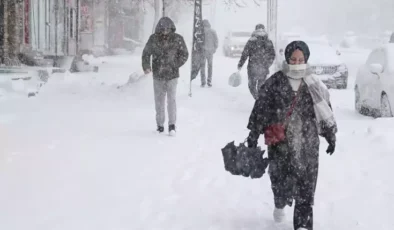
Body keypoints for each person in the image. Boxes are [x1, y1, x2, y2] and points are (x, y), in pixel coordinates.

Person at [245, 41, 337, 230]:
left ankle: (302, 225)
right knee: (280, 182)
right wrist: (253, 134)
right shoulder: (275, 81)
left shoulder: (314, 83)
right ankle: (280, 203)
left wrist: (330, 135)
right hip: (280, 143)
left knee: (306, 187)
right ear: (287, 59)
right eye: (293, 60)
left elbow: (324, 111)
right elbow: (260, 109)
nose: (297, 63)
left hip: (307, 144)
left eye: (300, 60)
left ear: (306, 59)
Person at [142, 17, 189, 135]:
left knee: (171, 100)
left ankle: (172, 125)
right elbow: (146, 53)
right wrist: (146, 66)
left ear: (171, 28)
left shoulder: (178, 39)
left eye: (167, 29)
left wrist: (175, 64)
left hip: (172, 75)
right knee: (159, 101)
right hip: (158, 75)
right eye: (162, 29)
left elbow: (184, 54)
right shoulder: (153, 39)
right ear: (159, 29)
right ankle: (160, 125)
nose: (165, 31)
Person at [237, 24, 276, 100]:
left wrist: (240, 64)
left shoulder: (251, 41)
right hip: (264, 68)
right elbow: (273, 55)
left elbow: (245, 54)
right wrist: (268, 64)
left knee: (252, 86)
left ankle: (257, 99)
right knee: (261, 86)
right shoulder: (268, 41)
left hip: (252, 68)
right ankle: (260, 100)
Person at [200, 19, 218, 87]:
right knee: (210, 66)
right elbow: (216, 40)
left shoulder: (201, 32)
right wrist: (215, 48)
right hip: (210, 51)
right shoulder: (213, 31)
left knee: (202, 66)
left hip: (203, 51)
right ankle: (209, 80)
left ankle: (203, 81)